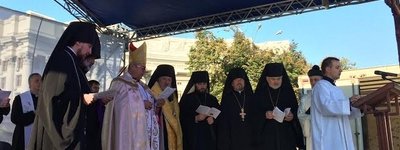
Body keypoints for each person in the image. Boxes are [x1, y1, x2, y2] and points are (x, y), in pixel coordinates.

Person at [29, 21, 99, 150]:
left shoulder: (71, 61)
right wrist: (82, 99)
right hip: (55, 136)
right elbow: (52, 99)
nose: (90, 51)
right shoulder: (62, 60)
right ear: (78, 42)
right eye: (89, 46)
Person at [102, 42, 160, 150]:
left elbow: (151, 103)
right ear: (133, 66)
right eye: (142, 68)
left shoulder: (144, 86)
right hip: (129, 131)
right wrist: (142, 105)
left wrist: (156, 103)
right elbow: (117, 106)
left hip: (146, 131)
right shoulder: (119, 83)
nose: (143, 72)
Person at [311, 57, 362, 150]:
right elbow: (325, 106)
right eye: (337, 67)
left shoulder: (336, 89)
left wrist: (360, 107)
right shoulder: (320, 86)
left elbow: (344, 113)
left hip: (341, 136)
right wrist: (348, 102)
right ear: (327, 69)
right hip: (328, 137)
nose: (340, 70)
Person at [252, 63, 304, 150]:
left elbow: (296, 110)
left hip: (286, 136)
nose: (276, 82)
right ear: (267, 79)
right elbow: (253, 113)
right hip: (266, 138)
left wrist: (292, 116)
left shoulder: (288, 93)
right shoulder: (260, 94)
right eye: (273, 79)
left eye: (279, 79)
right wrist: (264, 115)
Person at [179, 71, 219, 150]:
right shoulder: (187, 99)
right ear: (195, 85)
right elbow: (182, 117)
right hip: (194, 138)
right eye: (199, 84)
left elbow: (219, 115)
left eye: (204, 84)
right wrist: (196, 118)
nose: (202, 86)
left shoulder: (212, 99)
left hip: (209, 136)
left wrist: (213, 119)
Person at [217, 68, 254, 150]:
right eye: (236, 80)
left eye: (241, 79)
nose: (239, 82)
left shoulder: (252, 98)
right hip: (232, 139)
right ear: (232, 83)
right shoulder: (227, 99)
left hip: (250, 139)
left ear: (245, 82)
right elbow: (223, 123)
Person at [148, 64, 183, 150]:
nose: (167, 82)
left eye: (169, 80)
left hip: (171, 132)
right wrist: (157, 107)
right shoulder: (150, 93)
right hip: (158, 132)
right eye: (164, 79)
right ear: (158, 80)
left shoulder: (172, 96)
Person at [11, 73, 41, 150]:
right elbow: (14, 118)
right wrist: (34, 113)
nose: (40, 83)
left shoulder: (46, 99)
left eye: (41, 80)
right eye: (37, 81)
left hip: (40, 138)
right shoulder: (20, 98)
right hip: (22, 138)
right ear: (30, 84)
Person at [297, 65, 323, 150]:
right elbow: (300, 116)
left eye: (316, 80)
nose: (313, 82)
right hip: (311, 134)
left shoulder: (328, 95)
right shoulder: (305, 98)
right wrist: (311, 117)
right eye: (311, 80)